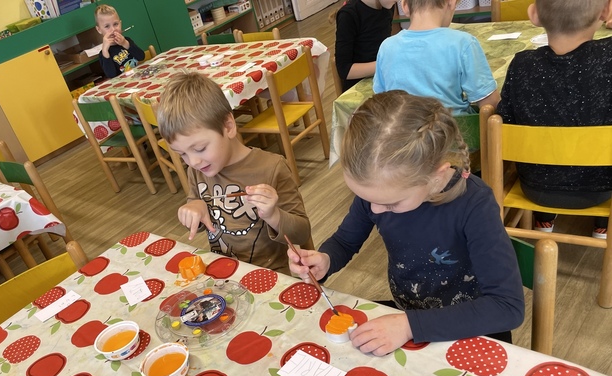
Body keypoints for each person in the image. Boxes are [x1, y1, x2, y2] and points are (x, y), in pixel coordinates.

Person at [288, 91, 524, 355]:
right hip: (409, 318)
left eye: (391, 204)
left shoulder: (474, 205)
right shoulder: (380, 193)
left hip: (473, 329)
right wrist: (326, 260)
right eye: (366, 198)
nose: (375, 210)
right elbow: (344, 241)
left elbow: (507, 307)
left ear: (435, 177)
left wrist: (409, 326)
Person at [157, 71, 311, 275]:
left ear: (228, 127)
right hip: (224, 272)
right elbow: (197, 213)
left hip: (269, 274)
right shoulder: (197, 170)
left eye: (200, 148)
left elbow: (302, 233)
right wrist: (193, 208)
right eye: (182, 154)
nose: (193, 161)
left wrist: (273, 215)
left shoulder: (272, 167)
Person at [498, 0, 612, 239]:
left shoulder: (521, 65)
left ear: (534, 14)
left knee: (545, 129)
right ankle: (602, 226)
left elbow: (505, 119)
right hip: (602, 190)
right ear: (605, 11)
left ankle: (544, 219)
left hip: (535, 189)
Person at [373, 0, 499, 115]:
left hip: (402, 131)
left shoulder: (386, 47)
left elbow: (381, 100)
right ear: (451, 2)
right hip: (454, 130)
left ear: (404, 6)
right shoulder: (464, 43)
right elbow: (490, 103)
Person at [332, 0, 396, 92]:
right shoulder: (348, 15)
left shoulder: (388, 7)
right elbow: (344, 70)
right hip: (358, 89)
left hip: (382, 79)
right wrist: (383, 64)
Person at [95, 5, 145, 78]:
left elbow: (141, 57)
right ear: (99, 30)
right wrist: (105, 51)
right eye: (107, 26)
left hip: (138, 76)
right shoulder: (104, 53)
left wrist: (125, 43)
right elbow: (111, 75)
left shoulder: (127, 41)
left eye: (115, 24)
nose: (113, 29)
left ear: (120, 23)